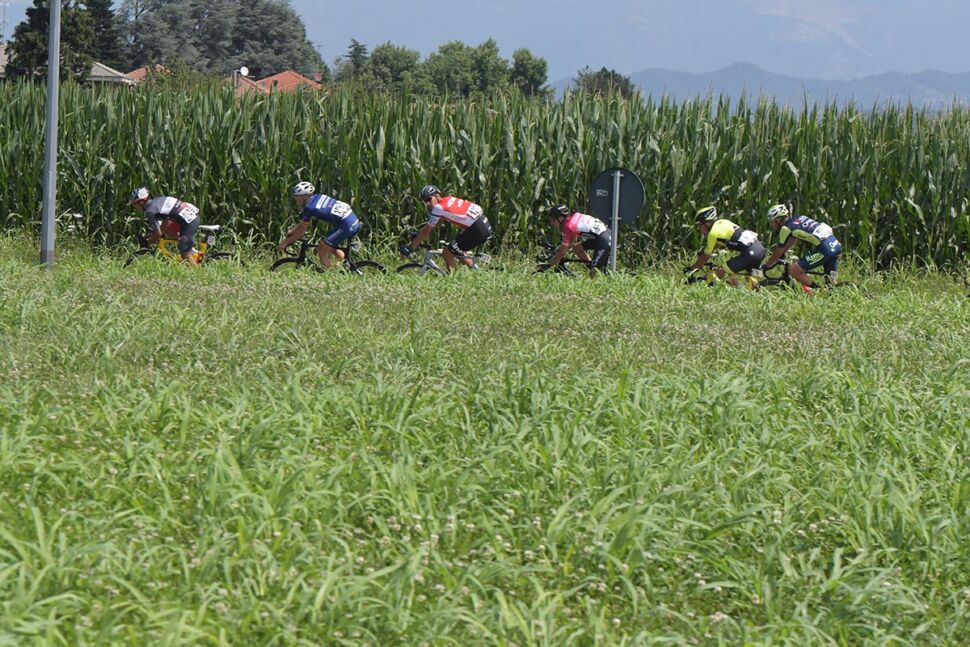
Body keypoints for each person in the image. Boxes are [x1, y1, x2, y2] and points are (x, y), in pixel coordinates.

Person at [400, 185, 492, 272]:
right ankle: (476, 272)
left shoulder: (438, 208)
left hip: (477, 229)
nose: (427, 204)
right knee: (457, 249)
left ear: (437, 196)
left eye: (429, 199)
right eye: (425, 201)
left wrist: (410, 248)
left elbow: (426, 231)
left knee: (447, 252)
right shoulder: (448, 200)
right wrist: (418, 235)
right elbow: (436, 224)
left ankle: (453, 281)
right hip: (482, 224)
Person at [276, 182, 361, 270]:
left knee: (321, 249)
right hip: (352, 220)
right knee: (328, 244)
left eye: (297, 196)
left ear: (305, 196)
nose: (295, 198)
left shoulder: (309, 208)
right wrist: (293, 231)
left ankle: (329, 276)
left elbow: (301, 232)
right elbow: (303, 223)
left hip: (345, 225)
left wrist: (285, 242)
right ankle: (344, 265)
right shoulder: (318, 196)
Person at [762, 204, 843, 293]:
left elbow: (778, 251)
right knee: (831, 282)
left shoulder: (786, 228)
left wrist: (767, 265)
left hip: (825, 250)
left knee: (793, 270)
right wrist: (783, 253)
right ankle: (835, 294)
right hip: (836, 245)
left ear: (778, 219)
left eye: (772, 221)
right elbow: (793, 238)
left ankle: (818, 290)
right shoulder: (799, 218)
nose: (771, 224)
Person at [684, 206, 765, 288]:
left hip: (749, 253)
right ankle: (751, 294)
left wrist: (691, 269)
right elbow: (720, 242)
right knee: (752, 281)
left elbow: (705, 258)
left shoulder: (712, 233)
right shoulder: (722, 222)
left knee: (722, 272)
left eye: (699, 226)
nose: (699, 229)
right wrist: (707, 251)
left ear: (706, 223)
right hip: (760, 249)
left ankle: (738, 291)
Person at [129, 187, 202, 265]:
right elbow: (166, 221)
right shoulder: (158, 200)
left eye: (134, 204)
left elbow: (158, 233)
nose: (135, 207)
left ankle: (198, 275)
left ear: (141, 202)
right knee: (169, 233)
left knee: (185, 255)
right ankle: (192, 251)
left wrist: (147, 243)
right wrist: (158, 233)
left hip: (189, 222)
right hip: (189, 217)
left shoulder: (149, 211)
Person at [545, 204, 611, 277]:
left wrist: (550, 264)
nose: (552, 223)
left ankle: (593, 271)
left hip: (604, 239)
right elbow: (572, 239)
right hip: (605, 234)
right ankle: (592, 266)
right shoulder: (574, 217)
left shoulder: (567, 226)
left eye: (553, 220)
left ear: (560, 218)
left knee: (593, 273)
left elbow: (562, 253)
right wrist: (564, 247)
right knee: (577, 248)